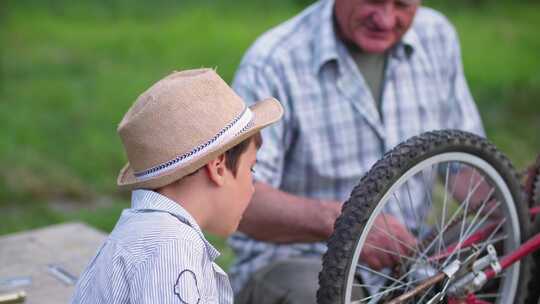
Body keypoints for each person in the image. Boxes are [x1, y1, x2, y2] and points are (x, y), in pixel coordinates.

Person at [229, 0, 485, 302]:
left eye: (402, 5)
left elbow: (462, 167)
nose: (386, 20)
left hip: (413, 257)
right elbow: (239, 198)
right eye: (373, 1)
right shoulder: (274, 60)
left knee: (509, 248)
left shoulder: (437, 37)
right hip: (301, 260)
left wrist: (517, 200)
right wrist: (345, 224)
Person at [70, 68, 283, 303]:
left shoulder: (154, 233)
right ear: (219, 167)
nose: (252, 186)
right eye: (250, 168)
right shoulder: (170, 246)